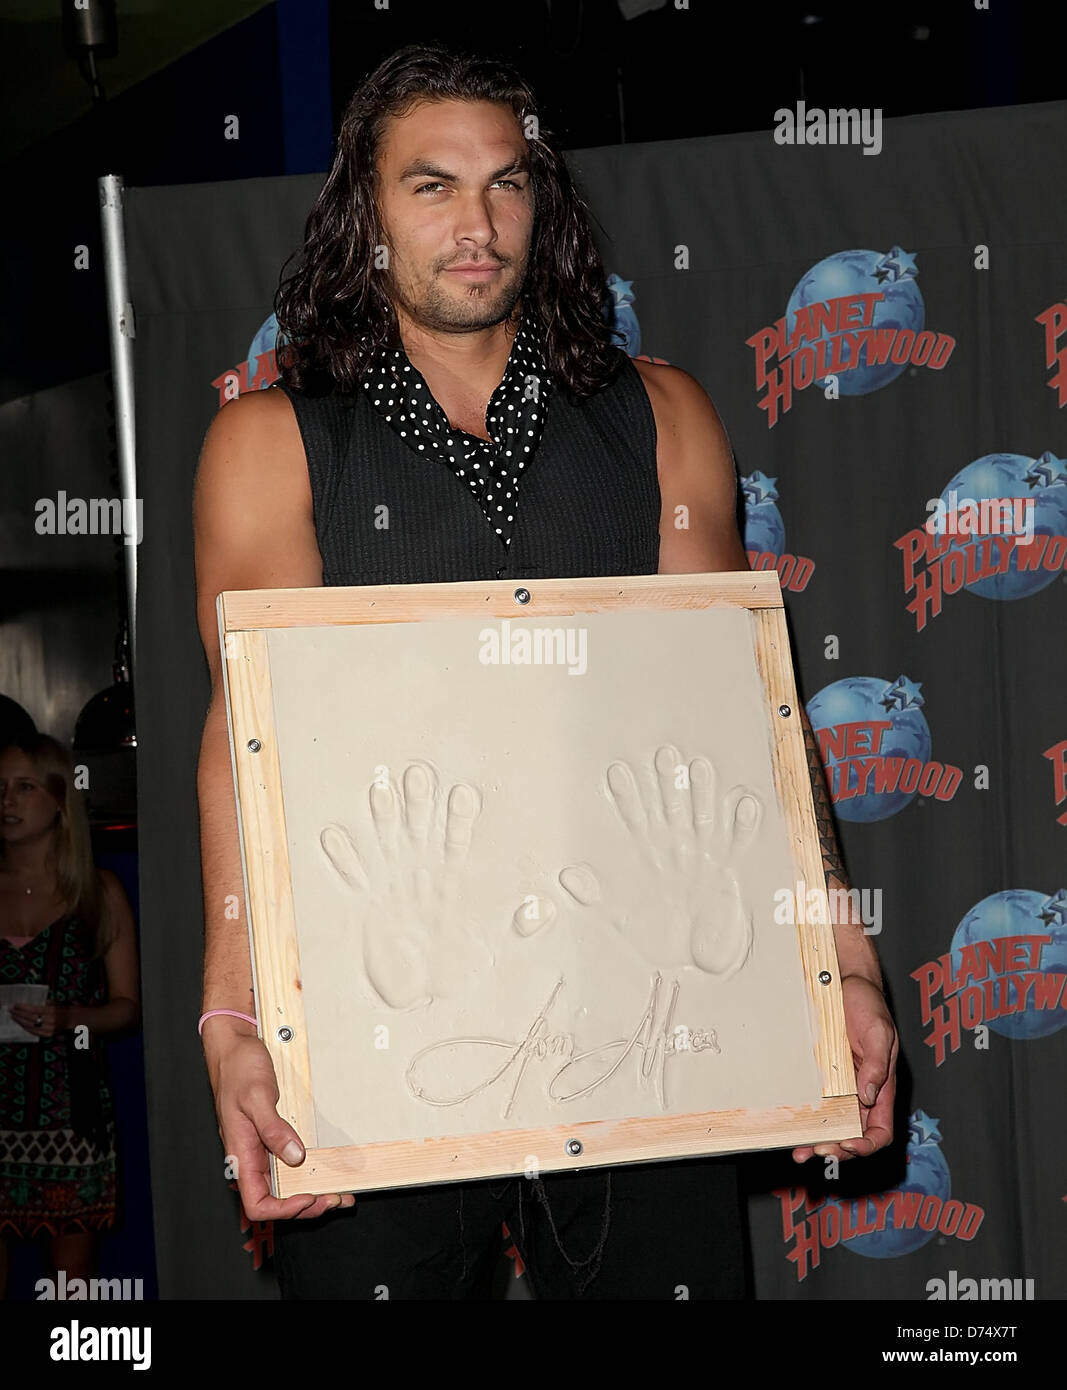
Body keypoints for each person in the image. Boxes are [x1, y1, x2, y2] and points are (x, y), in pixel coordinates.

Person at [193, 42, 898, 1299]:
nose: (476, 222)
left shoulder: (663, 415)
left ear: (543, 204)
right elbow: (243, 751)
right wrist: (234, 1022)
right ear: (362, 213)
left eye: (506, 183)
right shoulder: (270, 444)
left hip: (647, 1014)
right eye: (430, 186)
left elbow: (745, 712)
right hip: (366, 1023)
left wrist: (836, 965)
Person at [0, 735, 140, 1298]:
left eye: (24, 787)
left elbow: (127, 1009)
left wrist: (69, 1019)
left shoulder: (96, 893)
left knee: (68, 1293)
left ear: (61, 799)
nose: (6, 800)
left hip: (71, 1115)